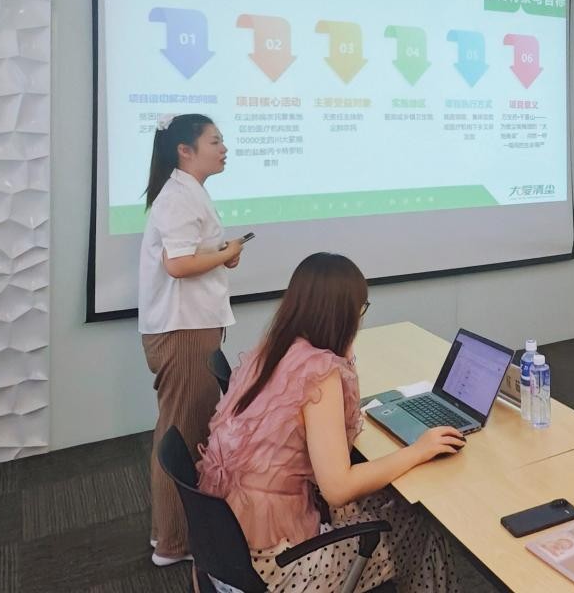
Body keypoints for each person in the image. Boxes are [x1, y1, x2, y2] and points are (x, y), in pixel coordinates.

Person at [197, 253, 461, 592]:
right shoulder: (319, 374)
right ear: (344, 315)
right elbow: (337, 489)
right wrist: (419, 450)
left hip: (230, 545)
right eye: (360, 310)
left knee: (383, 499)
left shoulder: (273, 350)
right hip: (279, 566)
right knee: (419, 523)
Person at [138, 113, 245, 566]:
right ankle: (172, 543)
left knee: (188, 427)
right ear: (185, 150)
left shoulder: (188, 192)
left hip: (191, 323)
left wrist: (222, 254)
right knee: (181, 433)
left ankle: (174, 534)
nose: (224, 149)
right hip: (182, 330)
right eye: (215, 141)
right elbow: (178, 265)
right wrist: (225, 254)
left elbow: (189, 255)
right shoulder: (179, 197)